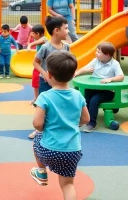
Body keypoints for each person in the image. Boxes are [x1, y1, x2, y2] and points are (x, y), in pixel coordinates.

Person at [31, 51, 90, 200]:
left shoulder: (45, 96)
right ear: (72, 75)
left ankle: (41, 171)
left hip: (48, 150)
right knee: (68, 185)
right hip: (72, 151)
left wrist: (45, 128)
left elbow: (37, 124)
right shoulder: (77, 95)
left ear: (49, 75)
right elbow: (86, 118)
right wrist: (72, 124)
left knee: (37, 138)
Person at [74, 42, 124, 133]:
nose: (96, 53)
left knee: (94, 100)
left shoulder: (115, 64)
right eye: (96, 51)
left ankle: (92, 123)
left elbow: (121, 76)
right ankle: (83, 119)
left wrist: (110, 79)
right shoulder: (95, 61)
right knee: (85, 98)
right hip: (94, 88)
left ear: (107, 55)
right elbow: (84, 68)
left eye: (98, 52)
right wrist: (77, 73)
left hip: (108, 91)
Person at [33, 16, 70, 94]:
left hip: (61, 82)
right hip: (46, 82)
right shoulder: (46, 47)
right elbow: (35, 62)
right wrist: (45, 74)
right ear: (56, 30)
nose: (68, 31)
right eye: (66, 28)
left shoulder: (66, 46)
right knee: (45, 103)